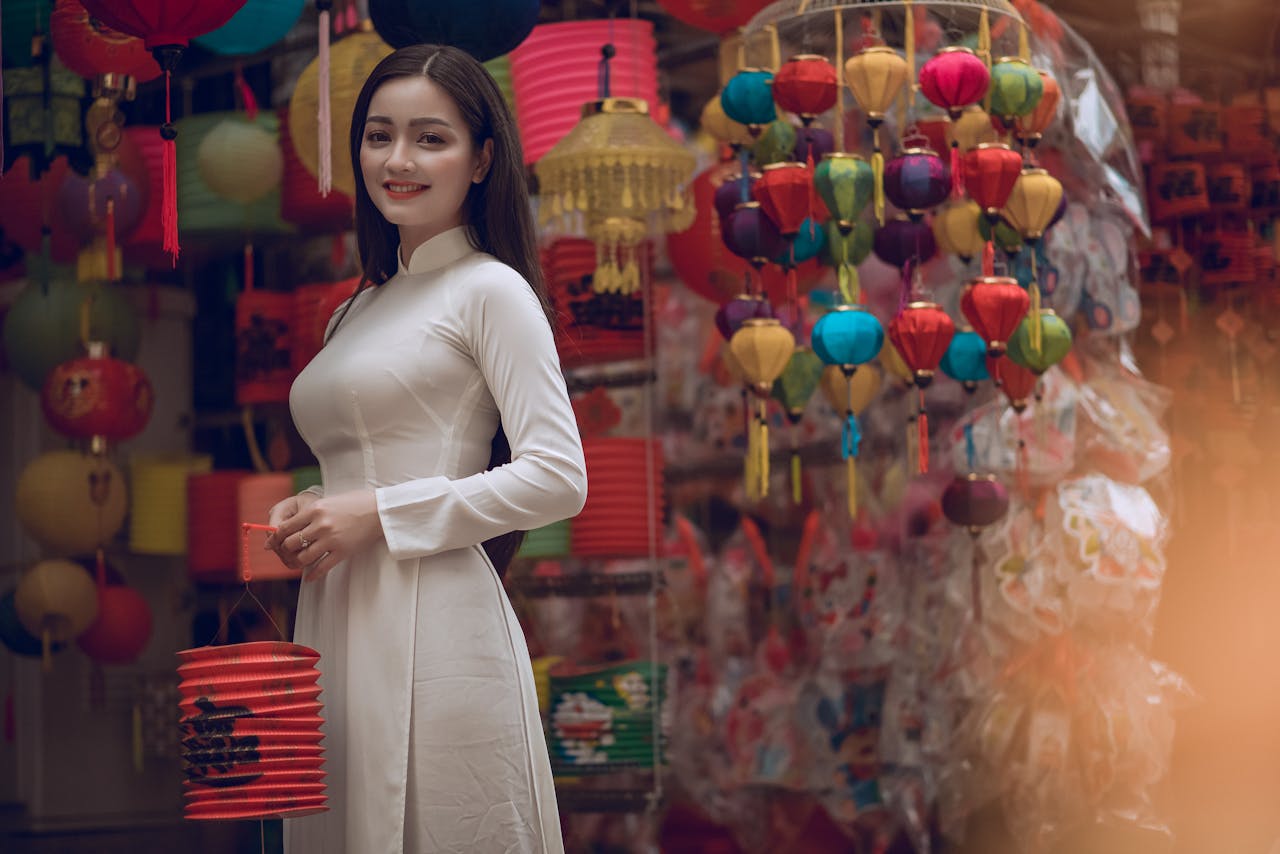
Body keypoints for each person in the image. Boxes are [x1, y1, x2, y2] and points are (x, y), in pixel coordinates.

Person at [265, 44, 587, 853]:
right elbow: (363, 460)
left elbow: (557, 477)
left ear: (482, 158)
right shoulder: (354, 311)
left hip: (436, 623)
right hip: (335, 612)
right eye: (379, 135)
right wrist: (315, 508)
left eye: (430, 138)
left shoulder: (490, 288)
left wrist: (377, 512)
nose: (398, 160)